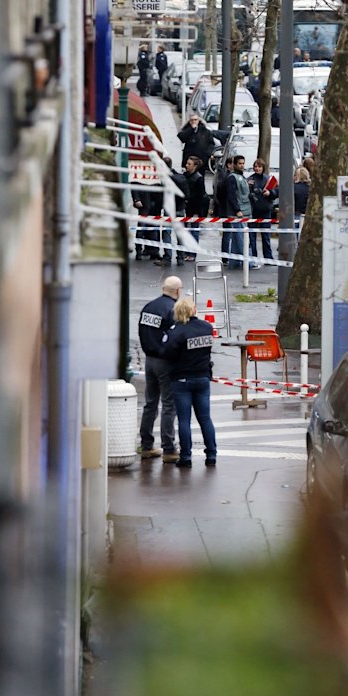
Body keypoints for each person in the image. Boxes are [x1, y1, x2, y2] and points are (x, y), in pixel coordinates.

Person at [161, 296, 217, 468]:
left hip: (182, 380)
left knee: (184, 420)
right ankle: (211, 454)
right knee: (205, 418)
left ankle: (186, 457)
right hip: (202, 378)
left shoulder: (177, 331)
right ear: (193, 310)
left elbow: (167, 353)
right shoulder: (206, 327)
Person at [138, 276, 184, 463]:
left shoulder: (149, 307)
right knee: (168, 404)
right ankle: (169, 448)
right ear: (178, 291)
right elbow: (175, 338)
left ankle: (146, 445)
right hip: (165, 361)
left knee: (150, 403)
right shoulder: (172, 310)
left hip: (149, 359)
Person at [155, 157, 189, 267]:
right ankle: (180, 258)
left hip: (169, 210)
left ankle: (167, 258)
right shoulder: (181, 177)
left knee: (166, 234)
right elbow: (186, 195)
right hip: (180, 209)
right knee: (180, 235)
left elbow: (161, 196)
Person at [225, 154, 257, 269]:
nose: (242, 166)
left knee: (236, 238)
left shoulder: (241, 177)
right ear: (234, 165)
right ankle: (249, 263)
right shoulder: (233, 178)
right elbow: (231, 195)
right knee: (242, 239)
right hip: (238, 213)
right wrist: (237, 210)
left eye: (243, 163)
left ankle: (234, 262)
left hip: (243, 211)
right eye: (240, 163)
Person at [247, 158, 274, 264]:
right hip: (253, 210)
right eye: (255, 166)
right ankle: (253, 256)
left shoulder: (268, 179)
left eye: (259, 166)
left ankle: (268, 257)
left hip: (265, 210)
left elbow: (275, 191)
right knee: (251, 236)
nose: (257, 168)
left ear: (263, 168)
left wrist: (270, 193)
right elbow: (246, 194)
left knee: (266, 235)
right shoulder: (250, 179)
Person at [184, 156, 210, 261]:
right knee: (187, 231)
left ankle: (192, 253)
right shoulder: (186, 176)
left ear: (195, 166)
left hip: (194, 209)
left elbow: (201, 196)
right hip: (187, 208)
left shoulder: (198, 178)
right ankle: (187, 252)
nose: (187, 165)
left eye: (189, 164)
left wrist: (199, 212)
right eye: (187, 163)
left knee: (194, 231)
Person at [213, 155, 234, 265]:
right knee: (228, 234)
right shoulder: (229, 177)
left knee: (227, 234)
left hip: (224, 209)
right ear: (229, 165)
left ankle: (226, 256)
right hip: (228, 210)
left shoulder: (223, 176)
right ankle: (227, 256)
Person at [293, 166, 311, 238]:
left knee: (294, 236)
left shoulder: (294, 187)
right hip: (307, 215)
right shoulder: (310, 188)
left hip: (296, 213)